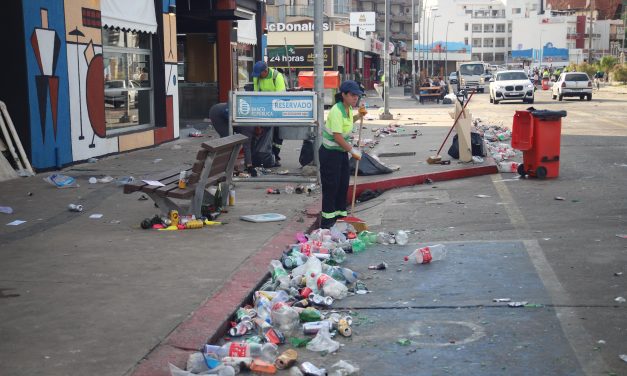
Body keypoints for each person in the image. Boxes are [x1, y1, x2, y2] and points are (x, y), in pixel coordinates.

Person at [319, 80, 367, 229]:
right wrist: (352, 151)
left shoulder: (347, 109)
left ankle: (341, 218)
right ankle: (327, 222)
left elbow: (347, 123)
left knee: (342, 186)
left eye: (357, 96)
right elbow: (337, 136)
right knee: (331, 187)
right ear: (344, 95)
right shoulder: (336, 110)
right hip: (330, 154)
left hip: (340, 153)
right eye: (353, 95)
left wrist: (358, 116)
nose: (355, 98)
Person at [252, 61, 286, 167]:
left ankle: (275, 156)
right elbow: (256, 94)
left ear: (265, 71)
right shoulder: (257, 77)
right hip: (264, 109)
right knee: (263, 133)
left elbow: (280, 96)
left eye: (259, 74)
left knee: (277, 135)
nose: (258, 77)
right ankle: (262, 156)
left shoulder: (277, 77)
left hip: (276, 108)